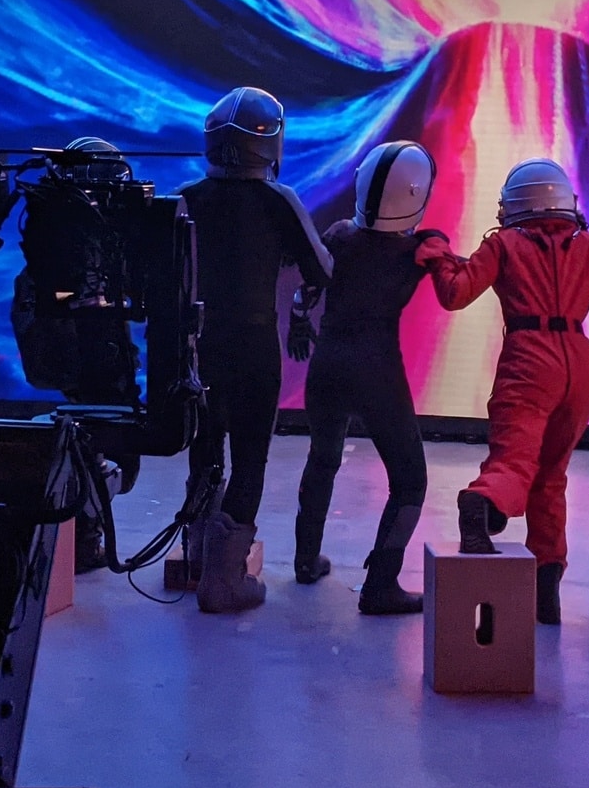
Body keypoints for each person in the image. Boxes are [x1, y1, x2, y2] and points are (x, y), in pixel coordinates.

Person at [427, 159, 589, 625]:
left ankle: (484, 504)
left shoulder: (503, 244)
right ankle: (546, 593)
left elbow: (455, 293)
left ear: (512, 206)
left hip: (529, 361)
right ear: (566, 202)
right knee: (552, 476)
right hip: (580, 365)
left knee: (514, 460)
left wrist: (437, 253)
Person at [177, 89, 331, 615]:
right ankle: (224, 579)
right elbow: (322, 269)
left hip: (197, 345)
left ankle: (197, 555)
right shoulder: (277, 200)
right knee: (249, 457)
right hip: (253, 344)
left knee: (204, 448)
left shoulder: (186, 199)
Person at [287, 142, 453, 617]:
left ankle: (304, 559)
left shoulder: (339, 234)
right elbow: (456, 281)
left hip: (328, 364)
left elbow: (306, 288)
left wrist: (300, 321)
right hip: (377, 369)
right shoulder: (419, 250)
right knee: (410, 480)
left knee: (322, 460)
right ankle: (380, 583)